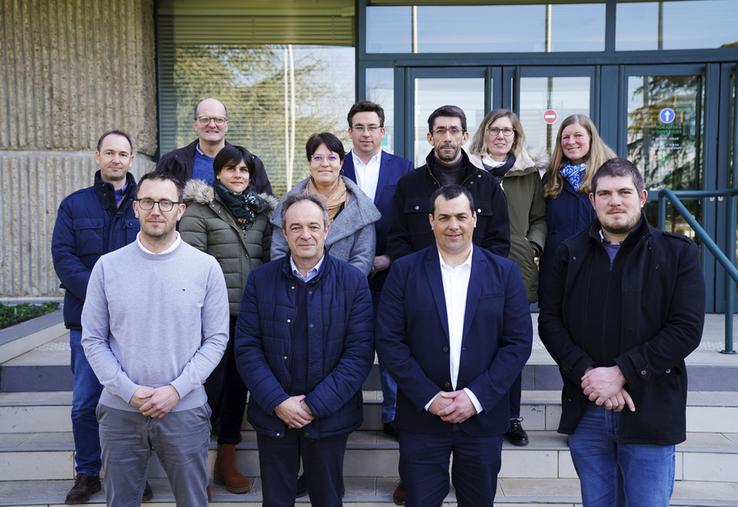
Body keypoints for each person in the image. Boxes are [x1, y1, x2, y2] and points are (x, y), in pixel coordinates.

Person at [538, 159, 705, 506]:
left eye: (624, 192)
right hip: (588, 410)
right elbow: (550, 323)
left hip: (650, 407)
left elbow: (686, 329)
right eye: (605, 193)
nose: (615, 201)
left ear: (642, 197)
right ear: (592, 201)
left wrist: (621, 373)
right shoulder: (569, 254)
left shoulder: (677, 254)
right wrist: (590, 376)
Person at [377, 185, 532, 507]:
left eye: (461, 216)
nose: (454, 225)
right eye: (444, 217)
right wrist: (429, 397)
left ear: (475, 219)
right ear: (430, 220)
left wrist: (475, 397)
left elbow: (517, 344)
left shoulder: (505, 273)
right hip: (422, 419)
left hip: (482, 418)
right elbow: (390, 340)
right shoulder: (404, 271)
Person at [81, 171, 229, 507]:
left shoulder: (206, 267)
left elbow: (216, 339)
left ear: (181, 210)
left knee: (193, 501)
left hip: (185, 409)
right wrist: (129, 391)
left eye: (165, 202)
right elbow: (92, 339)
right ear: (135, 208)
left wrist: (176, 390)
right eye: (147, 201)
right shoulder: (107, 267)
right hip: (120, 411)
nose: (156, 210)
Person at [235, 192, 374, 507]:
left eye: (313, 226)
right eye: (295, 227)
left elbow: (359, 354)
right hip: (274, 415)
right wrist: (279, 402)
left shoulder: (352, 282)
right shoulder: (261, 280)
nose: (305, 234)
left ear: (327, 229)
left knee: (327, 499)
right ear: (284, 233)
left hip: (330, 416)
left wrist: (313, 405)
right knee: (276, 501)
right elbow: (247, 349)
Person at [51, 129, 152, 504]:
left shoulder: (146, 204)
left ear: (131, 160)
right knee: (85, 402)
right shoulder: (74, 205)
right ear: (97, 157)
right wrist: (101, 298)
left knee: (133, 402)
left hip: (135, 323)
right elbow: (64, 259)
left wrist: (127, 301)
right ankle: (88, 473)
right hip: (86, 323)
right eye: (109, 153)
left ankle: (131, 474)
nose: (115, 159)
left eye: (122, 154)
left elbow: (155, 256)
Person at [180, 144, 276, 494]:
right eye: (231, 169)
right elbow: (189, 269)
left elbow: (270, 261)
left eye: (244, 170)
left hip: (248, 318)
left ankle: (226, 461)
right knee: (206, 390)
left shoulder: (262, 213)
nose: (238, 175)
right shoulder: (199, 211)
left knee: (237, 389)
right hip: (208, 321)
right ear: (217, 173)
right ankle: (197, 469)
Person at [469, 108, 548, 447]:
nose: (501, 136)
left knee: (512, 344)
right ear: (484, 134)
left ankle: (511, 416)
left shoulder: (529, 174)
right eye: (494, 130)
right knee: (475, 341)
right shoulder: (467, 170)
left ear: (516, 137)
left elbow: (540, 218)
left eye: (508, 131)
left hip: (516, 266)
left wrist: (533, 246)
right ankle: (479, 407)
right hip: (473, 266)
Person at [342, 100, 413, 438]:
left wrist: (388, 258)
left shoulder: (403, 168)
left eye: (372, 127)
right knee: (347, 348)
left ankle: (394, 415)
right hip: (345, 276)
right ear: (350, 131)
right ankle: (346, 413)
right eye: (360, 127)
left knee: (391, 346)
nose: (366, 133)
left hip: (391, 273)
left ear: (383, 131)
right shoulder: (334, 167)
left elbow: (409, 224)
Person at [386, 104, 510, 262]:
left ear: (465, 137)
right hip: (422, 282)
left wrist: (478, 273)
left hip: (475, 280)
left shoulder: (488, 185)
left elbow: (499, 242)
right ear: (430, 137)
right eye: (440, 130)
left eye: (454, 130)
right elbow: (397, 241)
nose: (447, 138)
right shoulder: (408, 184)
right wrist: (417, 273)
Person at [271, 132, 380, 276]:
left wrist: (340, 287)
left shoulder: (361, 207)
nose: (325, 164)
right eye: (317, 158)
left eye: (332, 158)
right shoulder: (288, 204)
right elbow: (278, 252)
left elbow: (363, 258)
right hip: (295, 291)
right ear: (310, 163)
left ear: (341, 163)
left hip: (343, 292)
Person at [538, 113, 615, 302]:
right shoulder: (551, 178)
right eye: (565, 137)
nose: (571, 141)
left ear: (591, 138)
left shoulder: (609, 175)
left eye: (578, 135)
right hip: (557, 265)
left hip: (597, 264)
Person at [157, 97, 272, 193]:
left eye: (219, 119)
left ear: (226, 125)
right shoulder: (172, 162)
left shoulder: (251, 163)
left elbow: (267, 209)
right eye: (205, 119)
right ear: (195, 124)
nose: (212, 125)